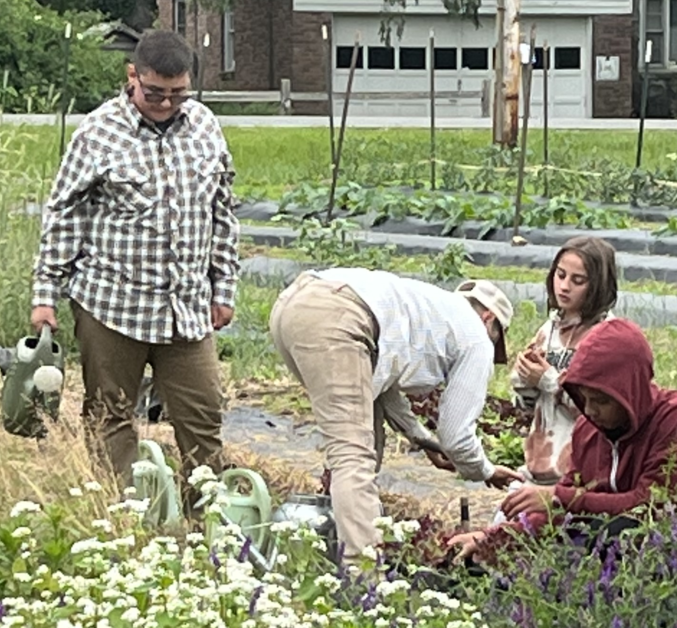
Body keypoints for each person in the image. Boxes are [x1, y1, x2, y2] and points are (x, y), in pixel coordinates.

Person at [28, 28, 238, 509]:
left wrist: (222, 286)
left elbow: (222, 211)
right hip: (111, 305)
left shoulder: (205, 127)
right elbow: (64, 213)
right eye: (155, 92)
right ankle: (121, 519)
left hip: (186, 308)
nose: (166, 103)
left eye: (178, 93)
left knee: (203, 415)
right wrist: (45, 295)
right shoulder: (98, 132)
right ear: (132, 76)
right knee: (111, 415)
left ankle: (205, 523)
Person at [266, 268, 527, 560]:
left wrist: (421, 438)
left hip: (294, 304)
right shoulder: (477, 337)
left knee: (366, 440)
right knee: (353, 457)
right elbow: (456, 435)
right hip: (339, 316)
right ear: (488, 318)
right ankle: (362, 577)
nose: (491, 347)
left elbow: (384, 384)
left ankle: (324, 549)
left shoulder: (434, 308)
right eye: (496, 338)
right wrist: (485, 470)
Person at [445, 317, 677, 556]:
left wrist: (558, 497)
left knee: (608, 531)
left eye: (602, 401)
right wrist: (492, 540)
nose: (590, 410)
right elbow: (565, 506)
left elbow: (651, 506)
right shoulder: (588, 430)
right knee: (571, 535)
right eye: (584, 398)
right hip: (620, 552)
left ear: (630, 393)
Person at [510, 236, 620, 486]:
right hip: (539, 465)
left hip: (579, 474)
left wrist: (550, 381)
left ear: (598, 286)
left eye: (577, 280)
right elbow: (529, 408)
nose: (564, 286)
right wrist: (525, 384)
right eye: (560, 275)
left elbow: (603, 411)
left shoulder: (607, 337)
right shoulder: (549, 329)